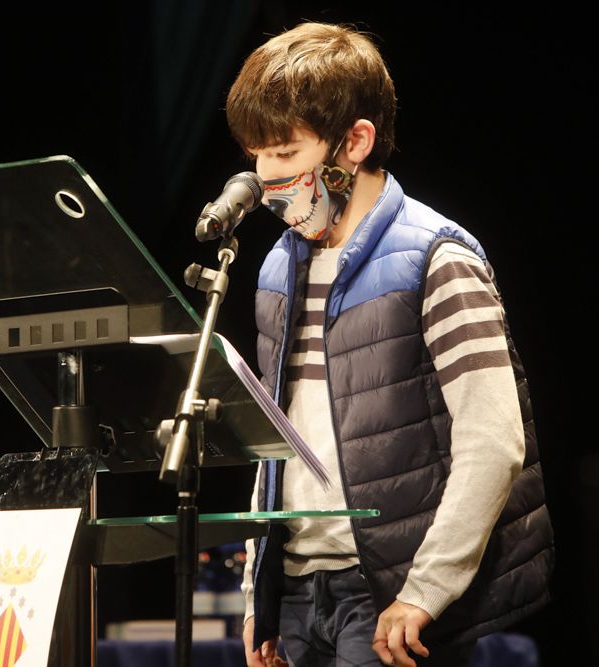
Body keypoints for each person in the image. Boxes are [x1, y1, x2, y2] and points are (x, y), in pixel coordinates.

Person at [226, 22, 554, 667]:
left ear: (355, 141)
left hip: (388, 592)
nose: (266, 176)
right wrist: (255, 593)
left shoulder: (437, 258)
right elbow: (274, 442)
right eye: (257, 154)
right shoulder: (275, 267)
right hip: (296, 593)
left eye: (286, 154)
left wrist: (427, 590)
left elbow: (494, 440)